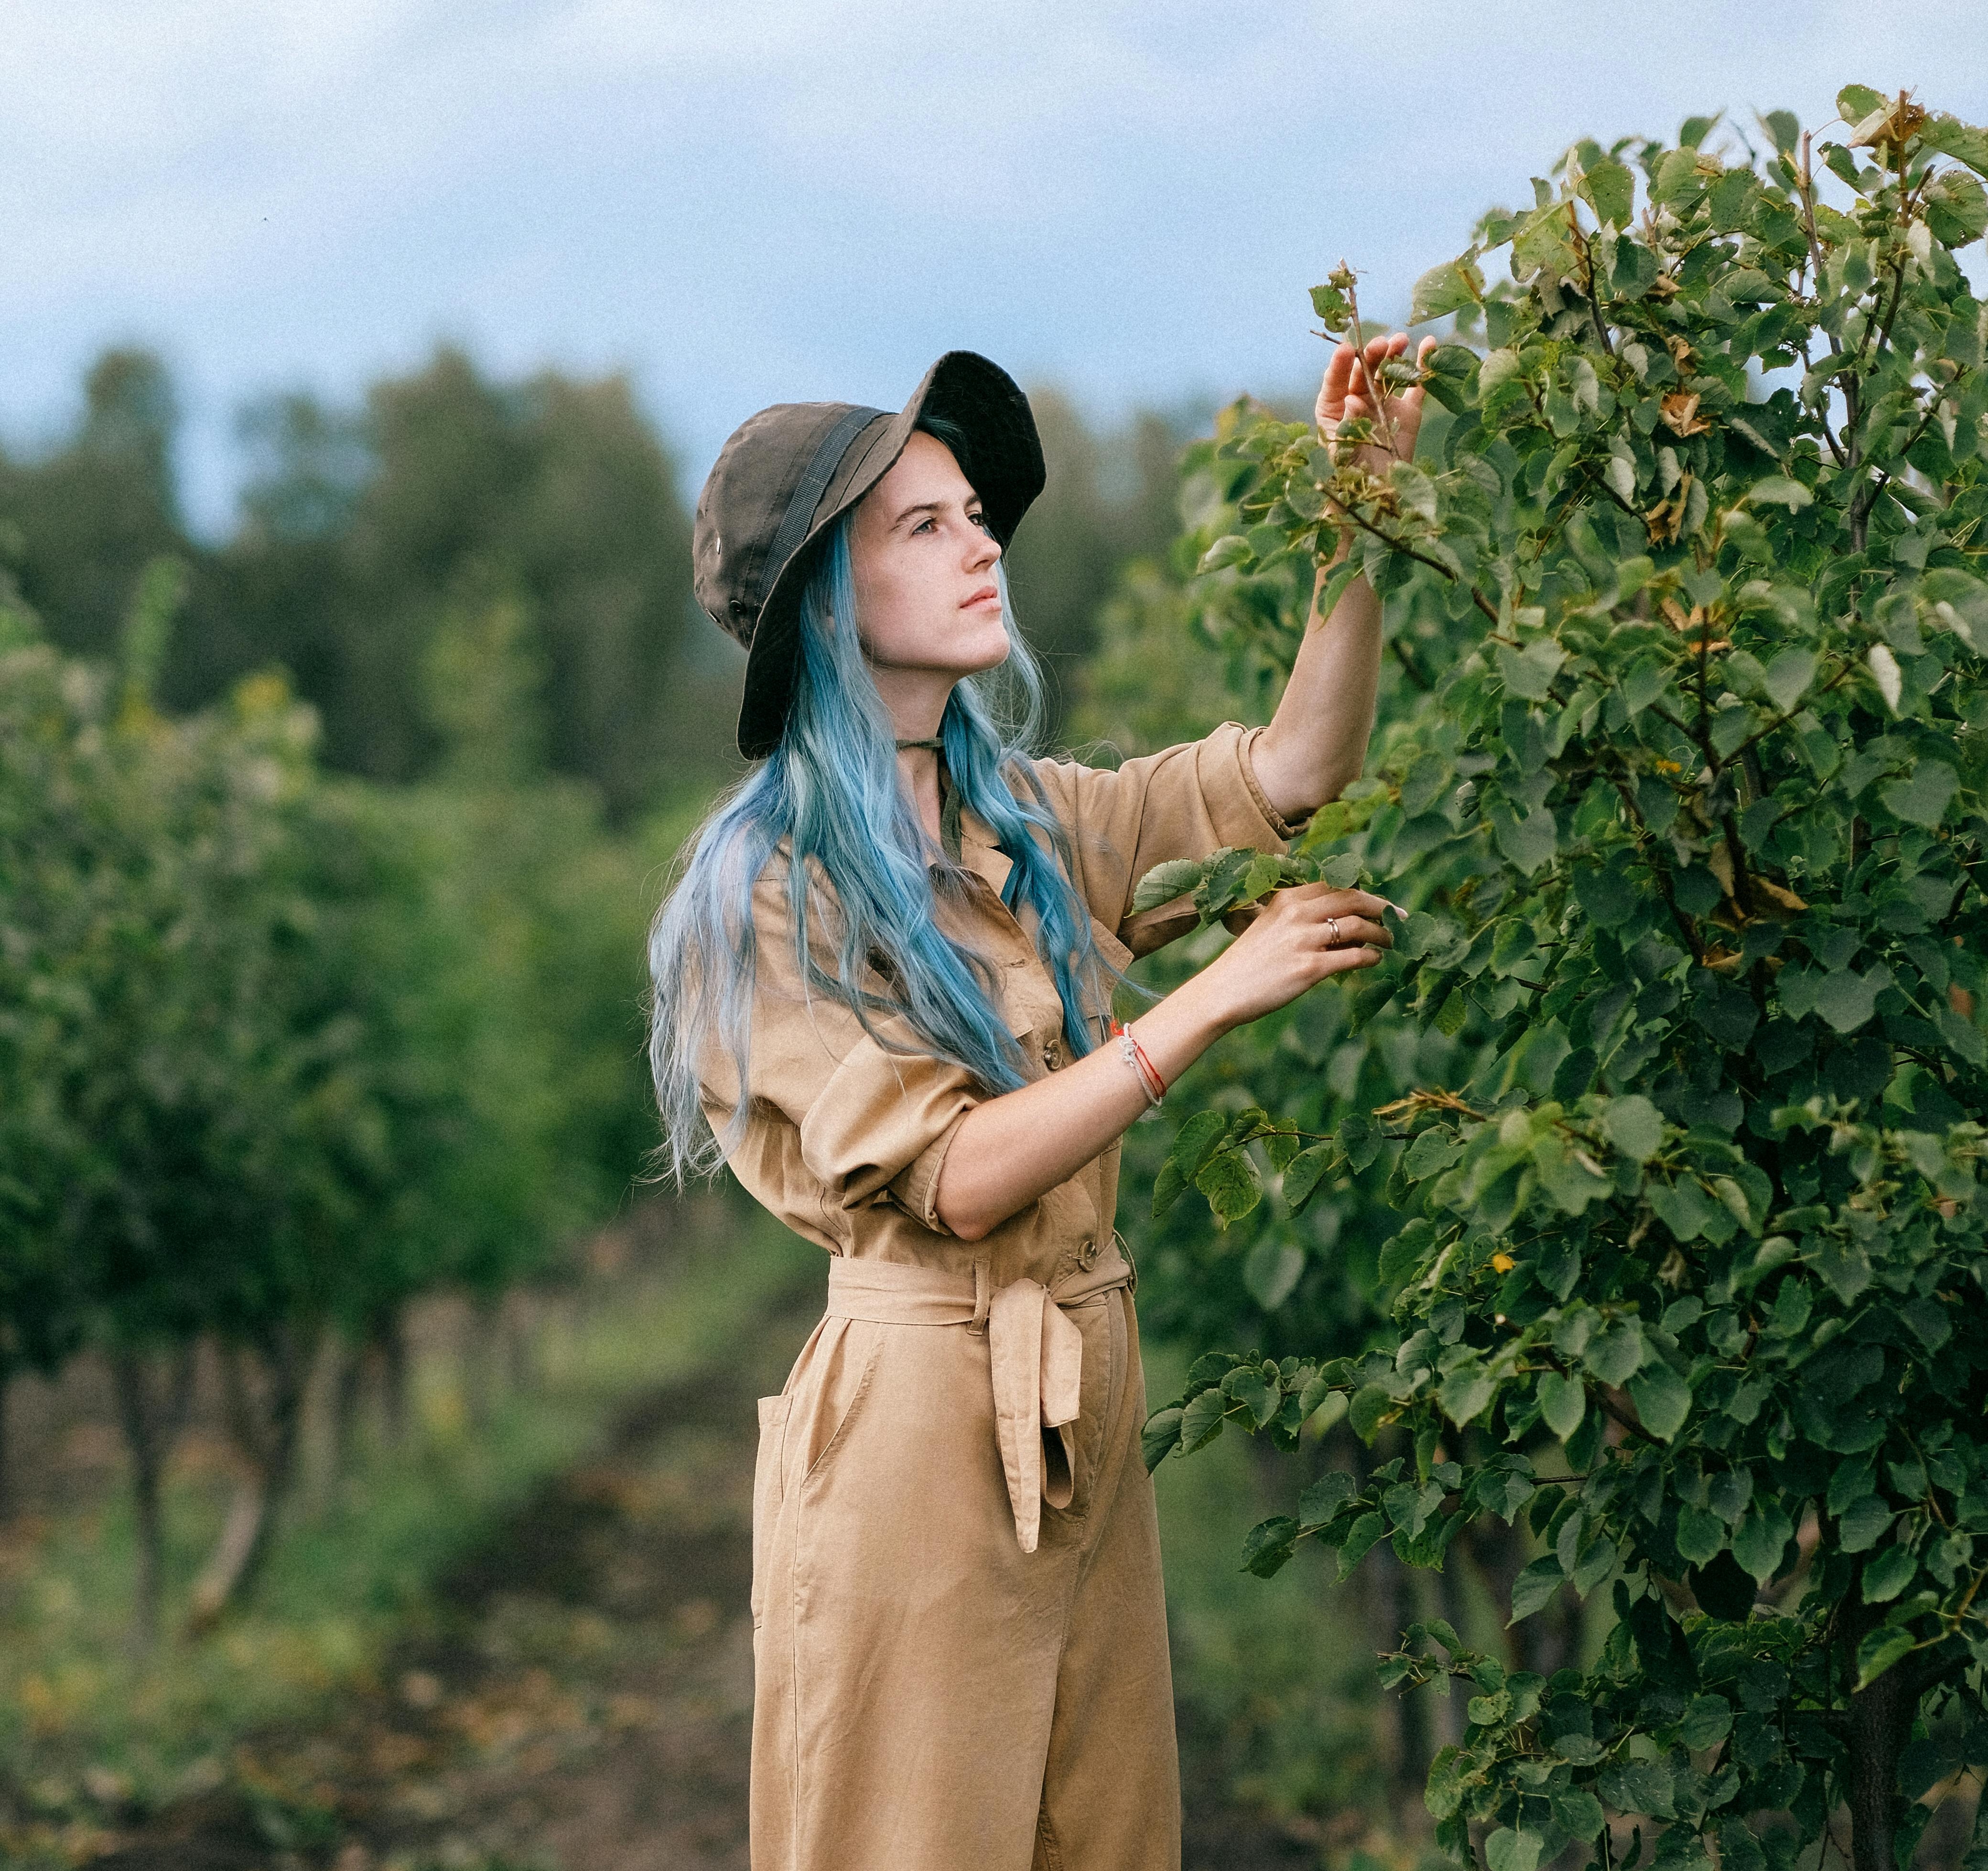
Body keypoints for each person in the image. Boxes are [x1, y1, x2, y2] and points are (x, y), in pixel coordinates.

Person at [648, 333, 1433, 1871]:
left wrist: (1360, 515)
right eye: (924, 523)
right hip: (921, 1427)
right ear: (826, 602)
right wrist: (1208, 998)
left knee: (1108, 1839)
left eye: (977, 514)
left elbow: (1293, 770)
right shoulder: (769, 891)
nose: (981, 543)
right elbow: (953, 1177)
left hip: (1082, 1394)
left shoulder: (1030, 820)